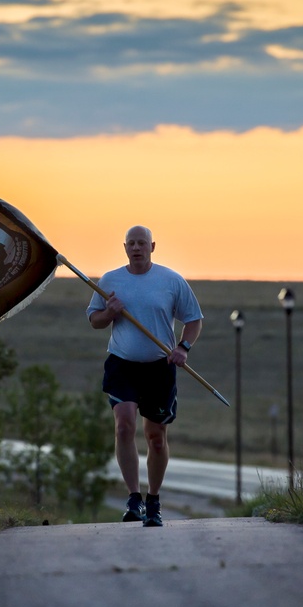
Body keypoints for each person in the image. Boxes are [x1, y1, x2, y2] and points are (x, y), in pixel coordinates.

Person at [86, 226, 203, 527]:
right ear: (124, 247)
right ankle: (133, 497)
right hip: (122, 364)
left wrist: (183, 347)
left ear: (152, 246)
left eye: (142, 243)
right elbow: (95, 321)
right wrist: (110, 313)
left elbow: (193, 320)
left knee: (156, 438)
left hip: (159, 368)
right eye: (131, 243)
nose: (137, 248)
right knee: (124, 426)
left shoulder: (171, 280)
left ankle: (153, 500)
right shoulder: (111, 280)